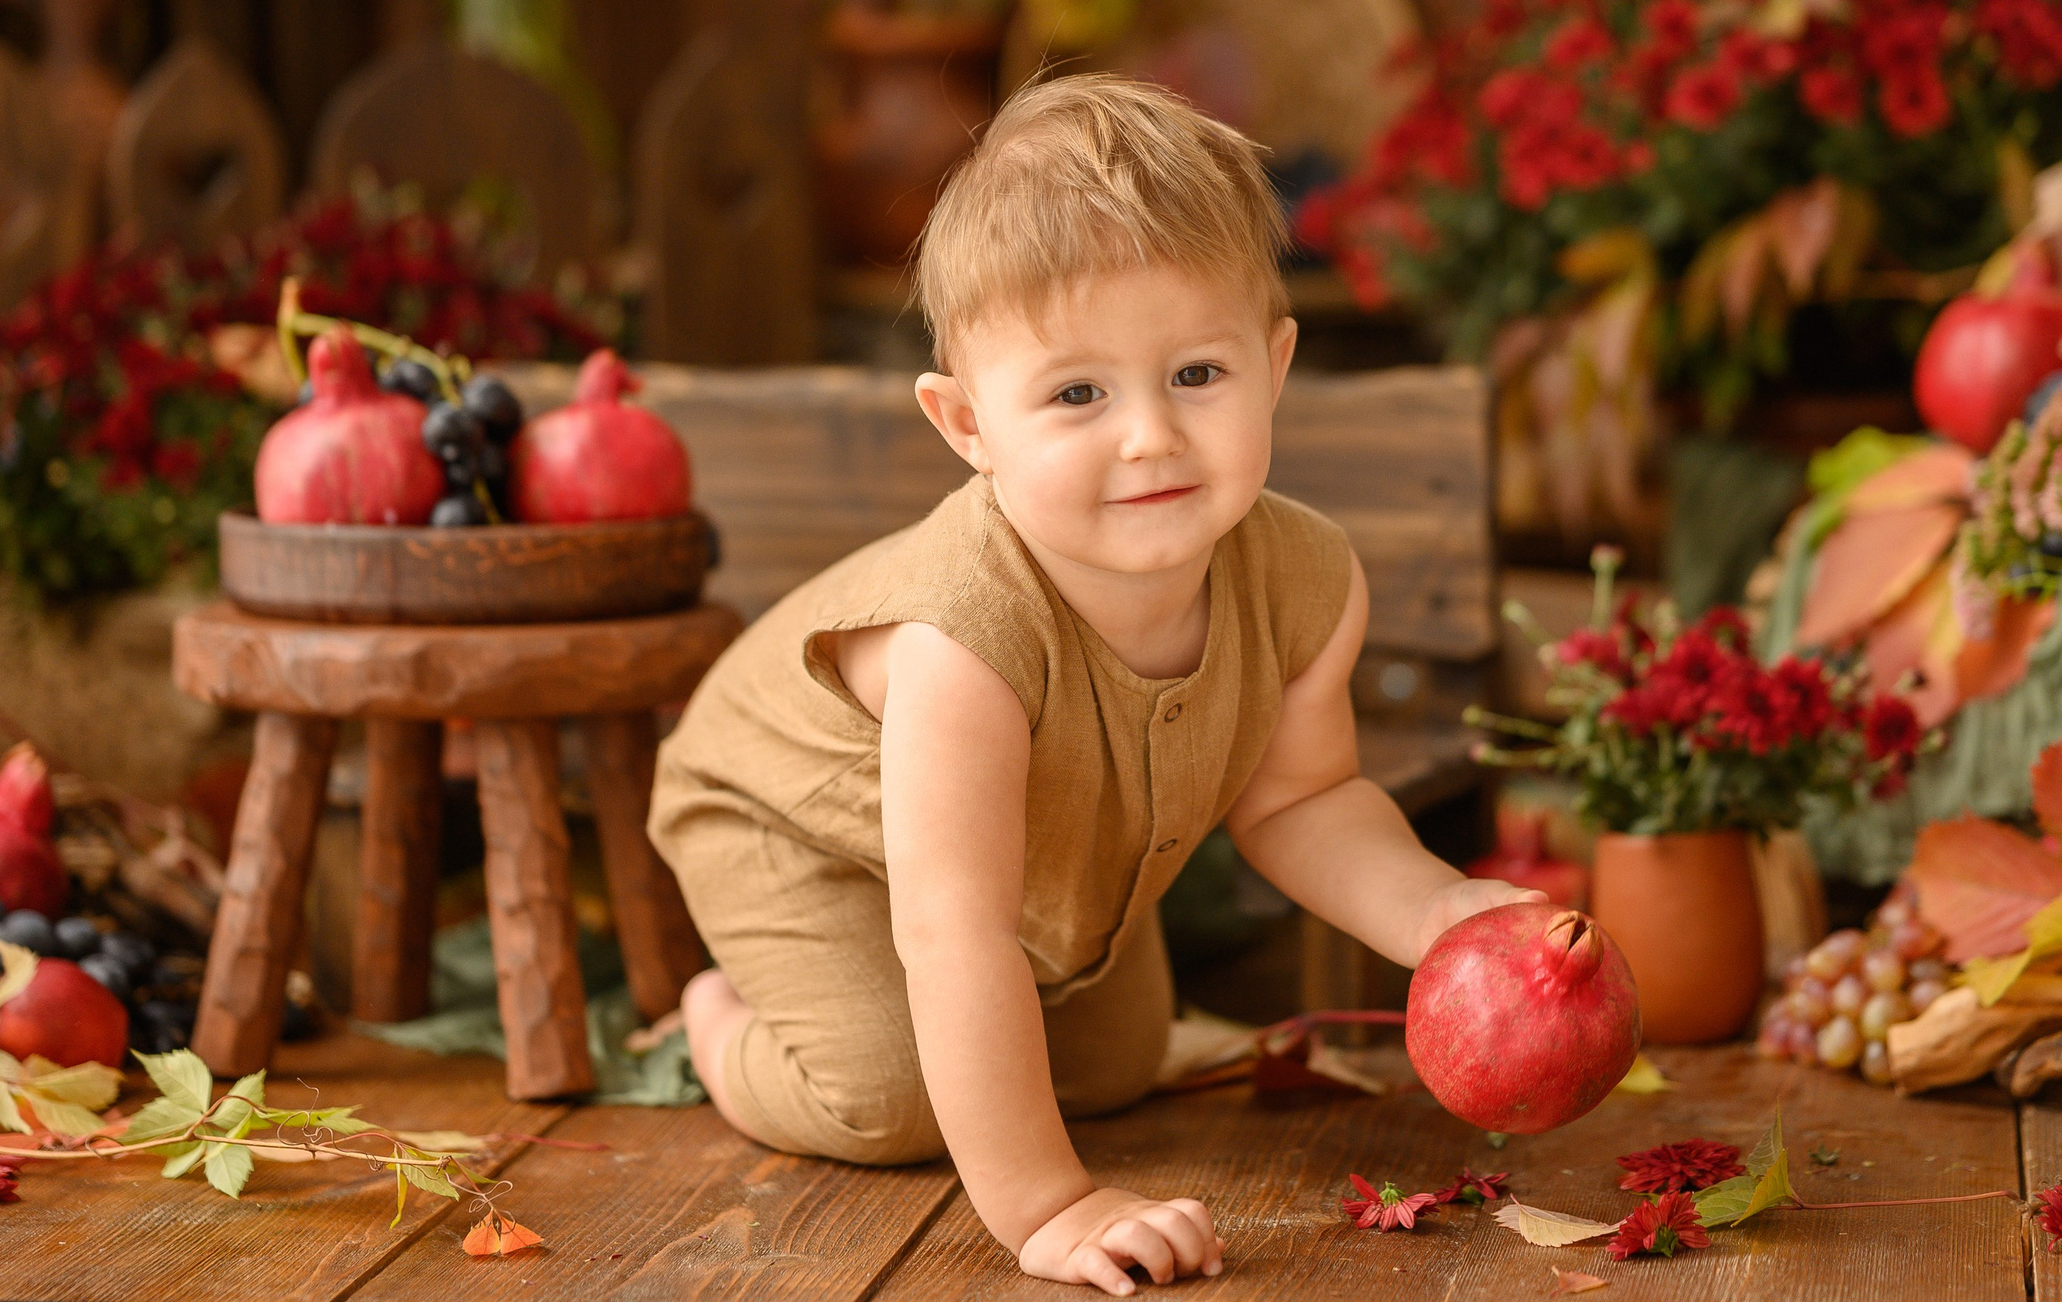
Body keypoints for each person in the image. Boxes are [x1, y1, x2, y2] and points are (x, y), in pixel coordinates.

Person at [650, 73, 1541, 1294]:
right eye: (1077, 393)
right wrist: (1048, 1204)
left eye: (1195, 374)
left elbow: (1302, 801)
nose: (1148, 435)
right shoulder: (961, 641)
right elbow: (953, 926)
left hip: (1033, 868)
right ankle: (714, 1018)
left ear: (1272, 366)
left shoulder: (1303, 578)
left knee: (1115, 1066)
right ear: (967, 425)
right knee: (887, 1098)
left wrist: (1438, 914)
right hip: (793, 820)